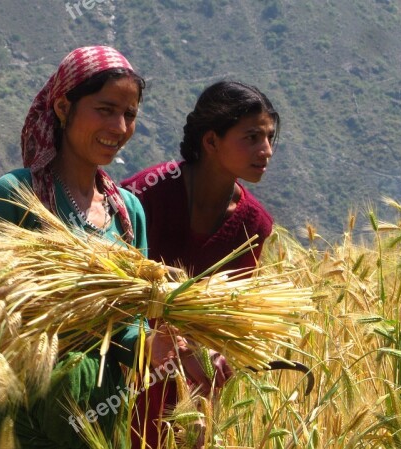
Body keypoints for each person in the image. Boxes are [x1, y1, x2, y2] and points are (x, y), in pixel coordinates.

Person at [0, 45, 150, 449]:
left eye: (129, 114)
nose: (119, 126)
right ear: (63, 107)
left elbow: (132, 327)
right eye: (105, 109)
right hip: (19, 416)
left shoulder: (128, 212)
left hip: (98, 420)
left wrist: (159, 348)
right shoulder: (17, 194)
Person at [121, 80, 279, 448]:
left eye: (270, 137)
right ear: (210, 141)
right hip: (124, 366)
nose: (267, 150)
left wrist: (216, 355)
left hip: (189, 387)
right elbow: (116, 289)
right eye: (252, 137)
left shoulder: (253, 225)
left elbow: (230, 315)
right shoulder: (145, 195)